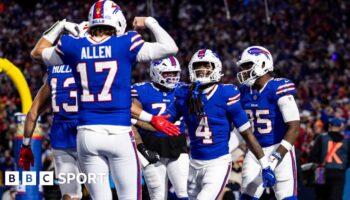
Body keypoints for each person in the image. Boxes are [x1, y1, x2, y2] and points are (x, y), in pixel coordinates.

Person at [29, 0, 179, 199]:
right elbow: (170, 48)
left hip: (87, 135)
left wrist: (60, 25)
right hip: (119, 133)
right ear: (117, 20)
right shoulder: (126, 43)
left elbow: (37, 53)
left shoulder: (72, 46)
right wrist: (150, 22)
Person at [162, 49, 276, 200]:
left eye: (206, 66)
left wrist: (265, 165)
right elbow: (161, 123)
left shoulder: (227, 93)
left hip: (217, 164)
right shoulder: (184, 93)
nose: (201, 70)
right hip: (194, 162)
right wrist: (136, 119)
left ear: (216, 67)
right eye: (198, 66)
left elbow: (247, 133)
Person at [236, 46, 300, 200]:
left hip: (280, 148)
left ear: (263, 64)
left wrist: (275, 158)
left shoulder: (278, 87)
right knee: (247, 197)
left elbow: (294, 128)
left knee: (286, 197)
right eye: (243, 67)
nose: (244, 71)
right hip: (254, 152)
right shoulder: (243, 91)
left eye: (248, 66)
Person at [131, 56, 189, 200]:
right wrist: (141, 148)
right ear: (155, 72)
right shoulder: (141, 90)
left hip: (177, 145)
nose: (173, 77)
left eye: (175, 73)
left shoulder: (183, 89)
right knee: (157, 195)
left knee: (183, 192)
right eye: (168, 73)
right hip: (151, 146)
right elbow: (131, 120)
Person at [309, 117, 350, 200]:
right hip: (339, 171)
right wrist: (343, 167)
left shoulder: (321, 137)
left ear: (330, 126)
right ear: (340, 127)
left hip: (320, 171)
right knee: (336, 197)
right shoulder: (346, 140)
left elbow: (312, 156)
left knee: (320, 197)